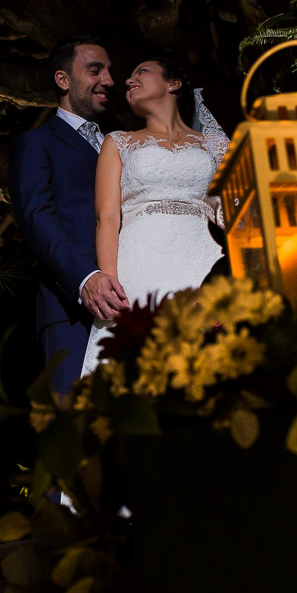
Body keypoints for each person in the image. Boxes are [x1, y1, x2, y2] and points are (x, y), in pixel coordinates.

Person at [79, 58, 229, 376]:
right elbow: (106, 217)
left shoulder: (214, 145)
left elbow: (229, 214)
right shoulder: (118, 142)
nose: (129, 81)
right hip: (140, 261)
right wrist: (110, 280)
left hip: (204, 259)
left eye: (141, 72)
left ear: (172, 84)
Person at [9, 36, 131, 396]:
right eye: (95, 70)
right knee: (77, 429)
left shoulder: (124, 144)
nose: (109, 80)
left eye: (110, 71)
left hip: (136, 297)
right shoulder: (36, 143)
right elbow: (36, 218)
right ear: (63, 80)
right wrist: (85, 278)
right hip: (71, 310)